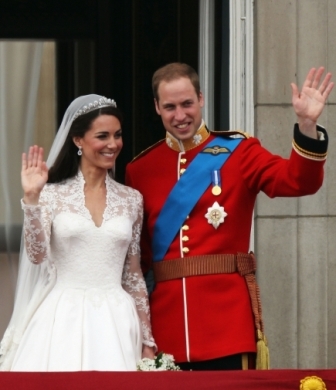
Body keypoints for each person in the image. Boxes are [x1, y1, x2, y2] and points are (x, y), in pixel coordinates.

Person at [125, 62, 334, 371]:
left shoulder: (240, 151)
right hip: (166, 330)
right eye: (170, 107)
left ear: (201, 98)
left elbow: (297, 181)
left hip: (227, 327)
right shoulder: (140, 169)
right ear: (157, 107)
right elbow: (137, 258)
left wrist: (306, 125)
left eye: (187, 104)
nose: (180, 115)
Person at [0, 94, 156, 371]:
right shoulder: (51, 196)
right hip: (61, 317)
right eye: (102, 135)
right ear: (77, 140)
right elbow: (36, 256)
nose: (113, 144)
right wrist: (32, 199)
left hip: (117, 319)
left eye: (117, 135)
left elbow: (133, 275)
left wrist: (147, 339)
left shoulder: (132, 199)